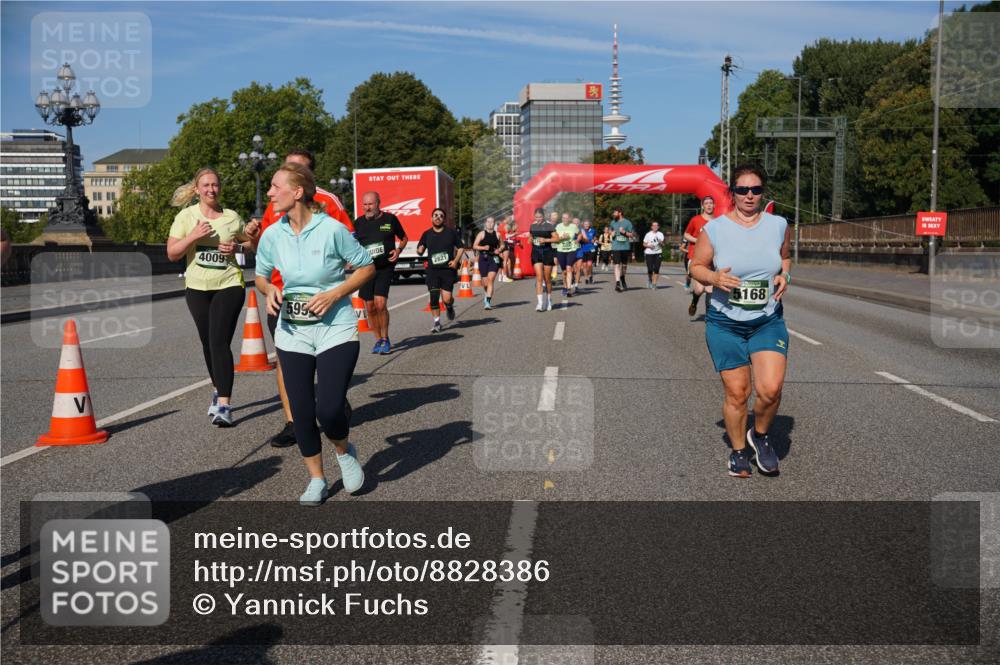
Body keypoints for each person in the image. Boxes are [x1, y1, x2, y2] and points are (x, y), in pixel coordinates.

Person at [254, 162, 375, 504]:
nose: (270, 193)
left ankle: (343, 449)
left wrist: (336, 293)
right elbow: (261, 275)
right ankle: (317, 479)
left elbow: (366, 266)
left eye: (276, 186)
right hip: (293, 332)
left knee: (330, 409)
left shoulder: (331, 230)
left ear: (297, 192)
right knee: (302, 411)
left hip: (335, 328)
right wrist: (269, 291)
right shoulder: (272, 234)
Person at [688, 165, 791, 479]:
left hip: (766, 319)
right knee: (738, 392)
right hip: (725, 322)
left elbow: (785, 257)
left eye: (756, 190)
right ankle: (737, 451)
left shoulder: (778, 225)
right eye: (743, 190)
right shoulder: (716, 229)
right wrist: (715, 277)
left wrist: (785, 274)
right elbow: (696, 266)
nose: (750, 195)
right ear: (731, 193)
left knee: (771, 389)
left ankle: (759, 436)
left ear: (763, 193)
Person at [247, 150, 353, 449]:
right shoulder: (276, 204)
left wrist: (331, 282)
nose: (287, 169)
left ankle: (334, 404)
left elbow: (350, 247)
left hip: (322, 300)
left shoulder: (328, 203)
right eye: (286, 164)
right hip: (283, 296)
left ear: (304, 180)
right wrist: (252, 238)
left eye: (295, 167)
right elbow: (266, 250)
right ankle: (295, 421)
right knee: (286, 361)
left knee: (324, 360)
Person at [167, 168, 252, 427]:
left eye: (215, 185)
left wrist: (238, 247)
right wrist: (193, 236)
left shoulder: (231, 217)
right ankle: (218, 388)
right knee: (208, 342)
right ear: (197, 189)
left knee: (218, 342)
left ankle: (224, 405)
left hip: (229, 284)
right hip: (196, 288)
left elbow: (252, 244)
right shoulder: (186, 216)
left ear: (220, 188)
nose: (211, 190)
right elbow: (172, 253)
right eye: (206, 185)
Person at [352, 191, 408, 355]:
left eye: (370, 204)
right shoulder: (358, 223)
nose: (367, 208)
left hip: (384, 267)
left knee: (380, 304)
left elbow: (404, 238)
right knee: (369, 307)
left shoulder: (390, 219)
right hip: (366, 269)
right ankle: (377, 339)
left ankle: (385, 338)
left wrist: (398, 250)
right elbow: (351, 243)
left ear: (378, 203)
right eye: (365, 205)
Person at [416, 208, 465, 333]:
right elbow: (420, 248)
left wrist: (455, 261)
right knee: (433, 297)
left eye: (441, 216)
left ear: (444, 219)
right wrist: (419, 250)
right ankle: (437, 322)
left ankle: (449, 306)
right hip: (432, 271)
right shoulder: (426, 234)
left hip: (447, 270)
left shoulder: (451, 233)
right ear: (431, 218)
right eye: (435, 215)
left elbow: (460, 248)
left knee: (447, 298)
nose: (438, 217)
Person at [684, 195, 716, 316]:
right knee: (699, 289)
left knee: (709, 288)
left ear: (714, 205)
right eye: (706, 203)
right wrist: (698, 240)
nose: (708, 205)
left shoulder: (718, 221)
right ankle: (694, 301)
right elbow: (686, 235)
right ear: (702, 206)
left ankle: (710, 318)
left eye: (711, 203)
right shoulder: (695, 220)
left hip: (712, 260)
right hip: (696, 258)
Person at [529, 207, 558, 311]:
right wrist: (530, 239)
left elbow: (557, 238)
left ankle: (549, 300)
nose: (538, 219)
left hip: (547, 252)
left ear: (543, 216)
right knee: (539, 278)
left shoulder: (549, 226)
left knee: (547, 279)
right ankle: (540, 304)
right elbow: (531, 236)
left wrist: (546, 239)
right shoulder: (532, 226)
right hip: (536, 252)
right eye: (536, 217)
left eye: (540, 217)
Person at [472, 216, 503, 309]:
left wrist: (499, 249)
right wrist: (483, 248)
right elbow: (474, 246)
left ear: (494, 224)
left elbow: (502, 245)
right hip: (483, 258)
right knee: (485, 282)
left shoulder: (498, 234)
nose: (490, 224)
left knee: (490, 280)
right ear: (485, 223)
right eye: (488, 222)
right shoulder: (481, 234)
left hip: (494, 259)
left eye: (492, 222)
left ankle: (488, 302)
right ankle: (486, 294)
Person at [609, 206, 634, 292]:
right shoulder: (612, 222)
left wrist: (624, 232)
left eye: (615, 212)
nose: (613, 214)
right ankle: (617, 283)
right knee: (616, 265)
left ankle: (622, 278)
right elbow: (610, 231)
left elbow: (632, 235)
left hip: (625, 247)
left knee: (624, 266)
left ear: (620, 213)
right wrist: (611, 233)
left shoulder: (627, 223)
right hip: (616, 247)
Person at [555, 212, 580, 297]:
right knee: (564, 271)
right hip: (561, 250)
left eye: (566, 218)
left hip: (571, 250)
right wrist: (562, 237)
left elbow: (579, 234)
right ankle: (565, 286)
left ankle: (569, 289)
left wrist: (578, 240)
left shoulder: (573, 226)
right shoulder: (558, 227)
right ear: (561, 219)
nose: (565, 219)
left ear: (569, 219)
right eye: (563, 218)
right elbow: (555, 238)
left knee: (569, 268)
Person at [643, 221, 665, 289]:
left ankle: (654, 284)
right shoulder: (648, 234)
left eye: (656, 225)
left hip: (658, 253)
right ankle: (650, 280)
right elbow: (644, 244)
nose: (655, 227)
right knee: (650, 269)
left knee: (656, 269)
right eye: (654, 226)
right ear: (651, 227)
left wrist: (660, 242)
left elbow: (663, 245)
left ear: (658, 227)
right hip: (649, 253)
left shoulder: (661, 234)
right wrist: (649, 246)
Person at [576, 219, 597, 285]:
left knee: (589, 264)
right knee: (584, 265)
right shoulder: (581, 231)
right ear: (583, 225)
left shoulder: (593, 230)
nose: (586, 225)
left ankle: (590, 275)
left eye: (587, 224)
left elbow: (595, 237)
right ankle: (586, 277)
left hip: (591, 249)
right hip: (583, 249)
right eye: (585, 224)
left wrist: (594, 239)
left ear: (589, 225)